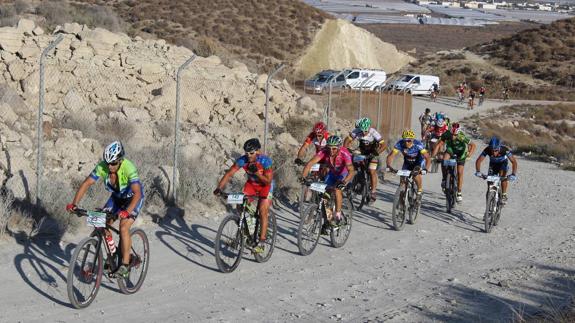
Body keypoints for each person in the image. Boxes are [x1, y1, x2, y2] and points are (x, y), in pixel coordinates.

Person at [66, 141, 144, 278]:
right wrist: (74, 204)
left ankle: (125, 266)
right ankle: (113, 255)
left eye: (113, 163)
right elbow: (87, 183)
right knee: (102, 223)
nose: (110, 166)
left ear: (120, 160)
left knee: (124, 226)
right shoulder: (102, 167)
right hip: (117, 198)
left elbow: (137, 193)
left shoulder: (128, 168)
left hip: (133, 199)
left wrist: (126, 212)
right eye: (107, 163)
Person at [214, 138, 273, 253]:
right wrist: (219, 188)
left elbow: (268, 182)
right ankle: (247, 230)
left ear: (258, 152)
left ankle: (261, 243)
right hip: (251, 184)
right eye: (246, 153)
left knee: (262, 211)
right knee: (240, 206)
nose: (249, 155)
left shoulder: (265, 161)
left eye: (251, 153)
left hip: (266, 186)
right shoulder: (243, 160)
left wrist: (257, 173)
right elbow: (229, 173)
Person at [301, 135, 354, 227]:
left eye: (334, 149)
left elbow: (351, 171)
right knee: (325, 195)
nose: (331, 151)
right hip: (332, 173)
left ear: (339, 148)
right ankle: (329, 219)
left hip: (343, 174)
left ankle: (338, 215)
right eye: (329, 148)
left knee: (337, 190)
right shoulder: (324, 151)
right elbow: (310, 164)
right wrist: (303, 178)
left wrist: (344, 182)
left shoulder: (344, 153)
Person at [343, 117, 386, 202]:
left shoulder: (374, 132)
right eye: (362, 130)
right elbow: (347, 140)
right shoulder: (356, 131)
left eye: (365, 131)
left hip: (372, 152)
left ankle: (373, 191)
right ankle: (353, 181)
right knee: (352, 164)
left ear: (369, 128)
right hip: (361, 150)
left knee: (372, 170)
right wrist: (345, 149)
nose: (363, 133)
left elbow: (384, 145)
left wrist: (376, 153)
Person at [431, 123, 476, 202]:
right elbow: (439, 145)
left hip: (461, 153)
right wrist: (433, 156)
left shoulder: (461, 136)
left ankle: (459, 192)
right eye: (452, 134)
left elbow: (473, 145)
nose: (453, 137)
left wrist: (469, 155)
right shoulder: (447, 134)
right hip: (450, 150)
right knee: (444, 160)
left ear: (458, 133)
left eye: (455, 135)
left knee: (459, 172)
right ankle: (444, 179)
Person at [386, 129, 431, 198]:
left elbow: (427, 158)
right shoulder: (400, 144)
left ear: (412, 140)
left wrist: (426, 169)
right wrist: (388, 166)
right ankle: (401, 198)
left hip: (418, 162)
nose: (407, 143)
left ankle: (419, 191)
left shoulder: (418, 145)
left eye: (409, 141)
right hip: (407, 162)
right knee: (402, 180)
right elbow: (391, 155)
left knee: (416, 175)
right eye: (405, 141)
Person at [475, 136, 518, 204]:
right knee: (489, 183)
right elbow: (479, 160)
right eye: (492, 150)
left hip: (503, 164)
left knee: (502, 177)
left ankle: (504, 195)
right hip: (493, 164)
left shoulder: (504, 150)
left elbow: (514, 162)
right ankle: (488, 206)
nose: (494, 152)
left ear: (499, 148)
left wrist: (513, 174)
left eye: (496, 150)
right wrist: (478, 171)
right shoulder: (487, 149)